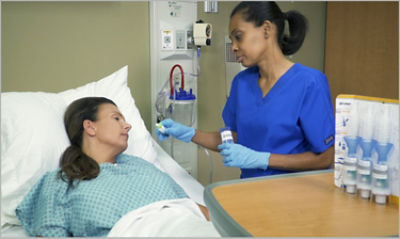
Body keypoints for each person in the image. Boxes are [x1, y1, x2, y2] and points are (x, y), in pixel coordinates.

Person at [157, 1, 335, 179]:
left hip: (294, 195)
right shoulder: (241, 83)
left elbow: (326, 157)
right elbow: (232, 137)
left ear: (266, 29)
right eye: (232, 39)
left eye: (239, 37)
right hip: (248, 189)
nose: (233, 46)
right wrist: (189, 133)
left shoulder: (309, 83)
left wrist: (264, 160)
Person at [15, 97, 217, 237]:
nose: (127, 125)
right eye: (116, 118)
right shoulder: (62, 180)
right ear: (90, 126)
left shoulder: (142, 166)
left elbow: (192, 208)